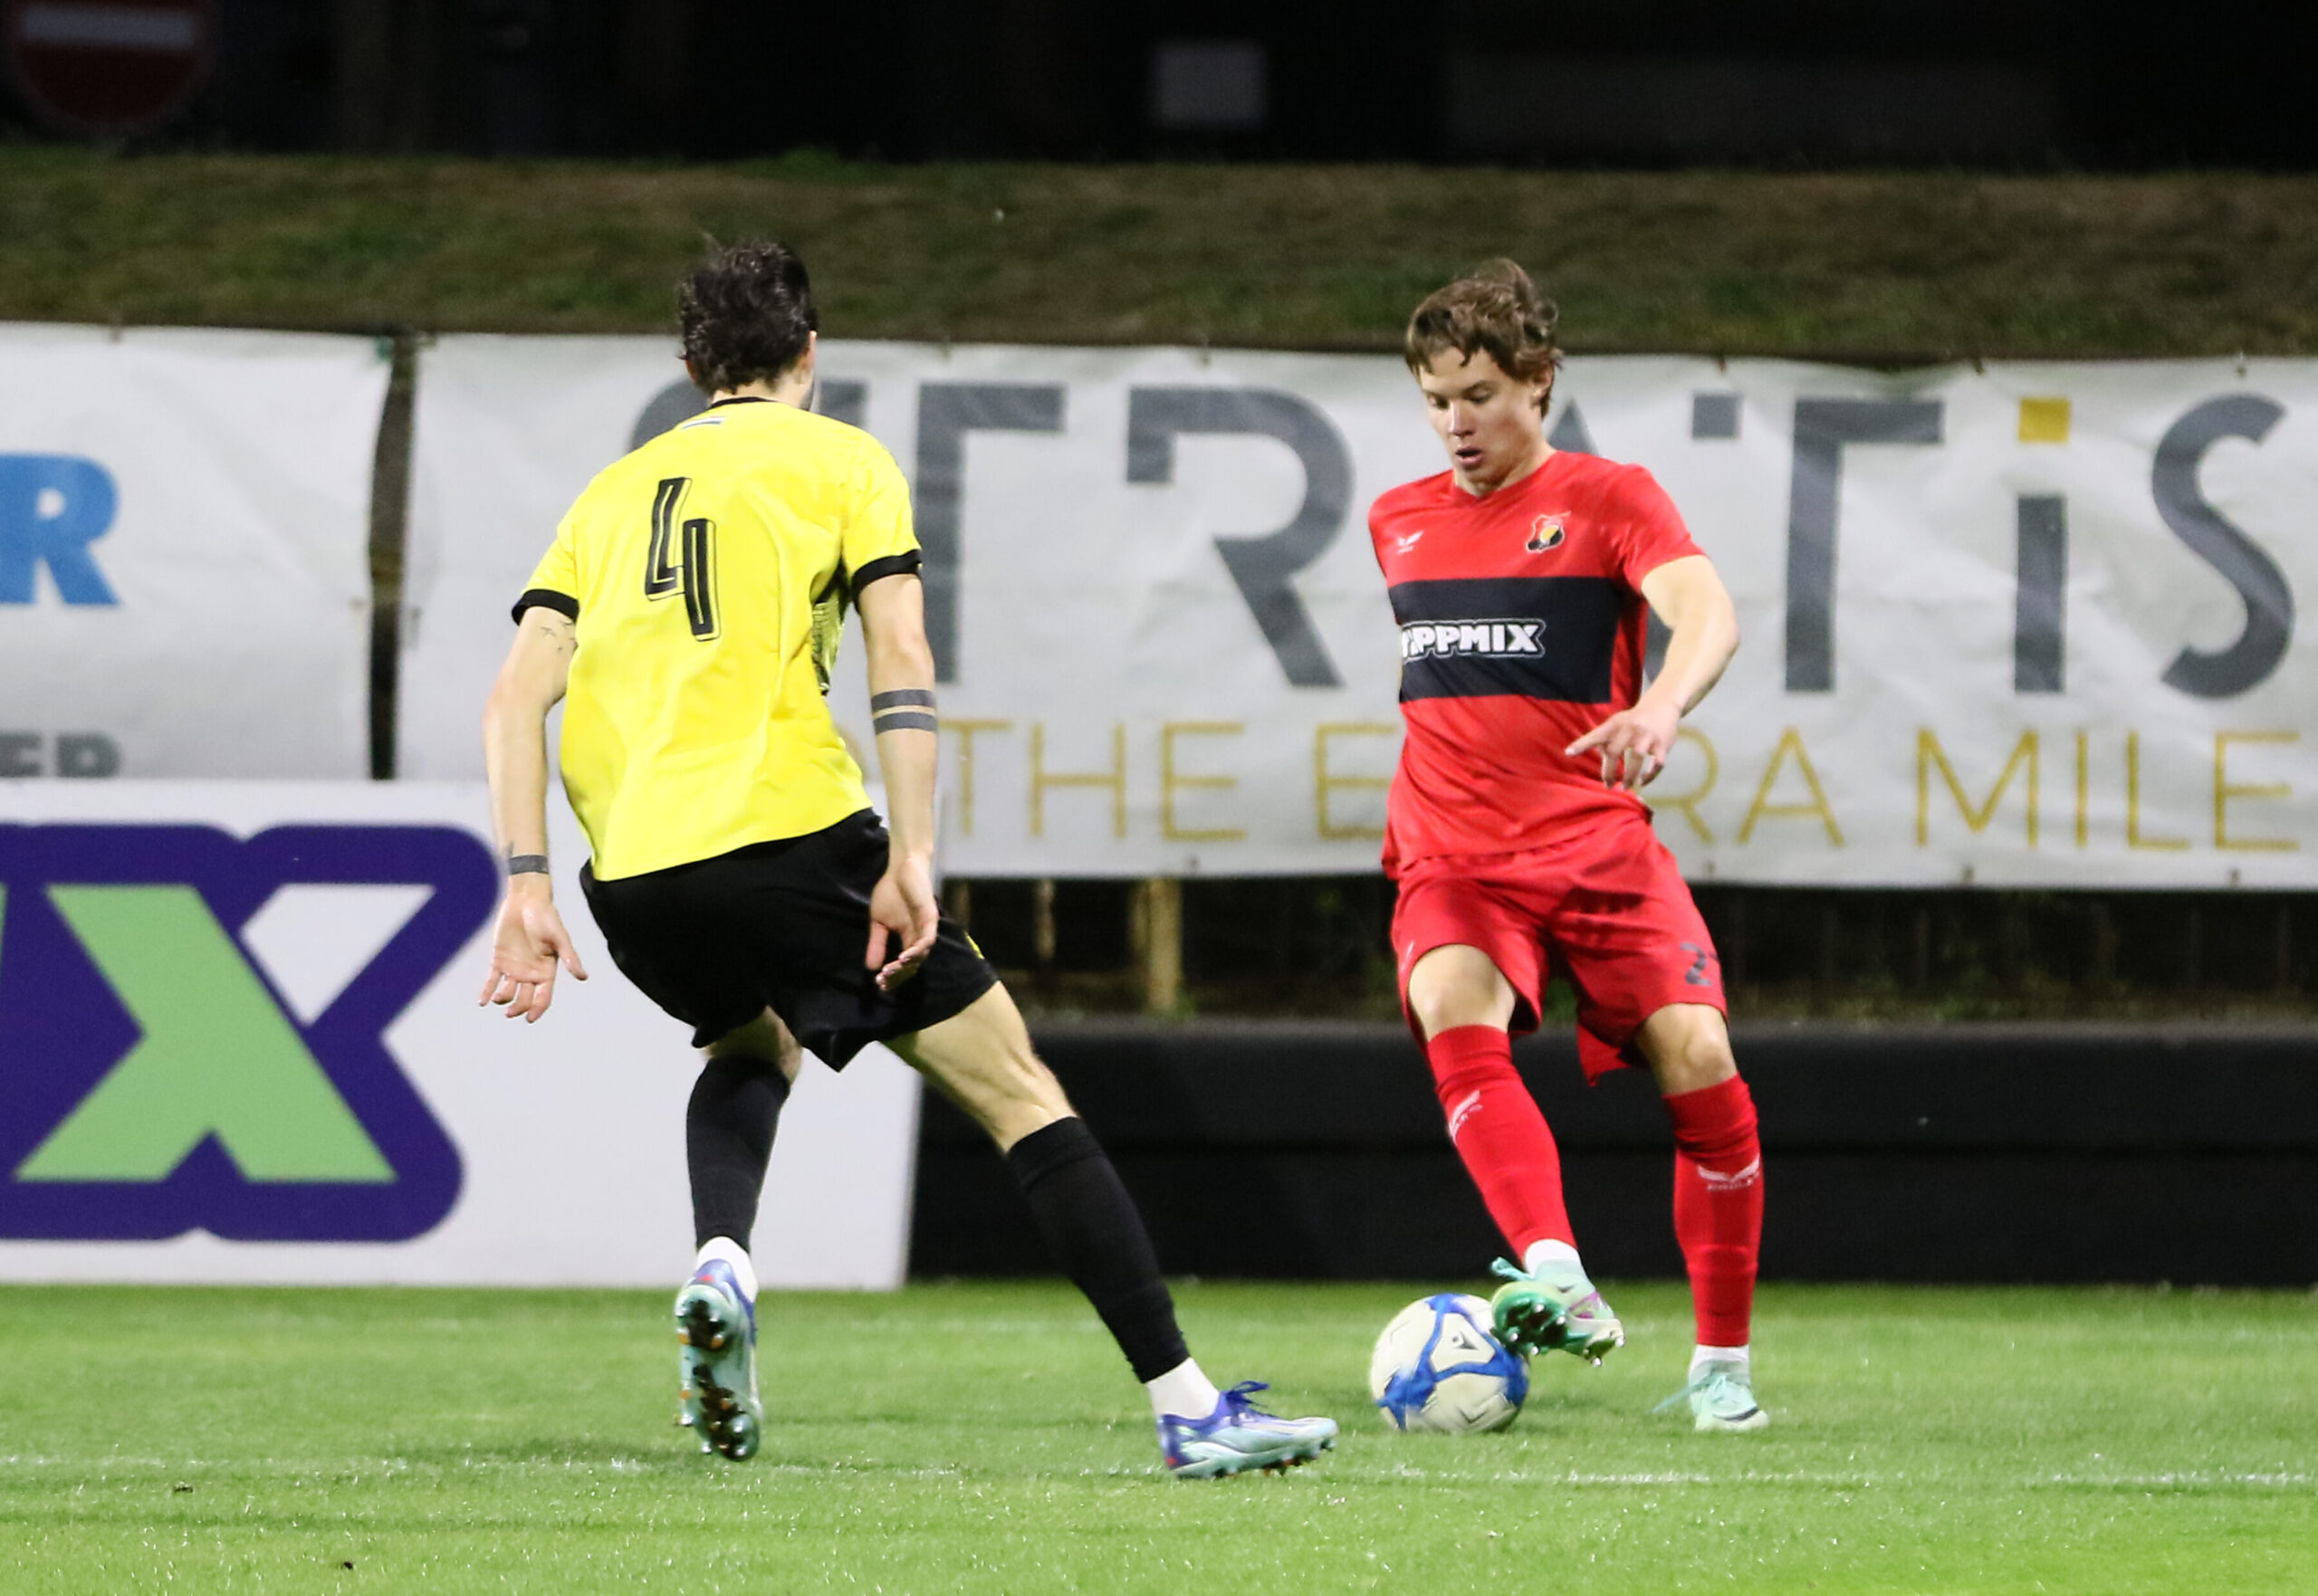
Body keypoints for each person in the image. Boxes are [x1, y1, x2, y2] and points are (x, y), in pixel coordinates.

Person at [476, 240, 1336, 1478]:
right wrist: (913, 850)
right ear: (808, 351)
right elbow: (903, 655)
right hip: (789, 835)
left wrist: (526, 882)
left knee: (750, 1042)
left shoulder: (607, 497)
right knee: (1019, 1089)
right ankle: (1189, 1406)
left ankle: (721, 1260)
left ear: (692, 366)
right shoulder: (844, 461)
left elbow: (514, 699)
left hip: (637, 877)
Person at [1369, 260, 1767, 1432]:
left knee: (1700, 1055)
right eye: (1436, 400)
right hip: (1452, 851)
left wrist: (1662, 707)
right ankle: (1554, 1270)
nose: (1456, 423)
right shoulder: (1396, 519)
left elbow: (1709, 612)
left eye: (1480, 396)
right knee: (1452, 999)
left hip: (1594, 847)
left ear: (1540, 382)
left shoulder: (1609, 498)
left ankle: (1722, 1369)